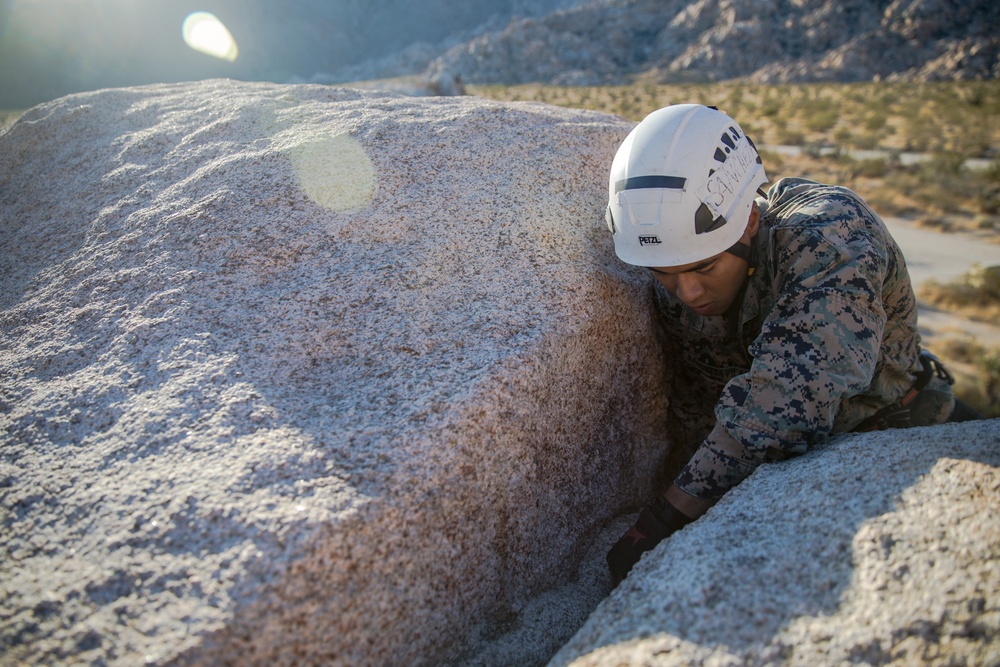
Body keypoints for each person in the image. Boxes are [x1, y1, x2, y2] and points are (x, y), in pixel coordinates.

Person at [603, 103, 983, 584]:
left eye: (703, 268)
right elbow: (700, 401)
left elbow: (785, 399)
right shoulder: (690, 260)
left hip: (901, 428)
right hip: (793, 461)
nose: (689, 293)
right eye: (664, 274)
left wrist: (666, 518)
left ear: (748, 223)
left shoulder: (831, 235)